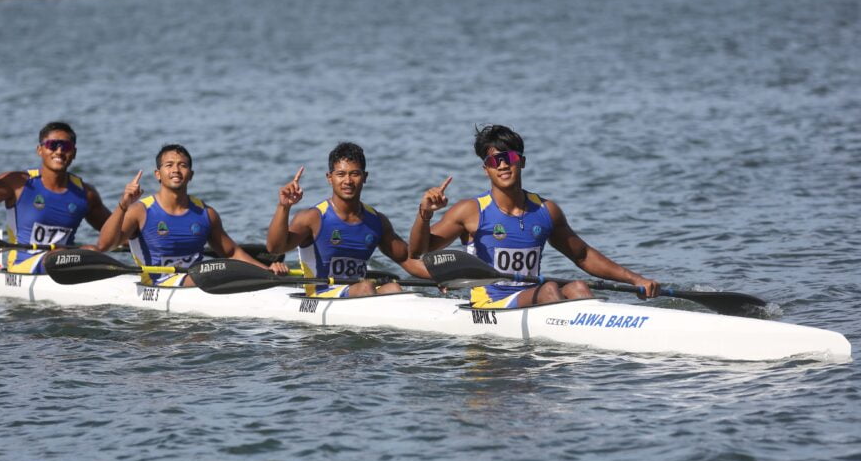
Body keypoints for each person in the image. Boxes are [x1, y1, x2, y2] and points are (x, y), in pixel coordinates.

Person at [410, 124, 660, 308]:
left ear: (522, 162)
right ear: (486, 169)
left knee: (579, 287)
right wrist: (425, 215)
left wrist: (635, 279)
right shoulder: (471, 211)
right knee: (551, 289)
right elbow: (419, 252)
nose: (504, 165)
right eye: (494, 161)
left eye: (510, 158)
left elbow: (582, 255)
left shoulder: (546, 210)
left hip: (533, 297)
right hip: (490, 304)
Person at [97, 144, 287, 287]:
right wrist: (123, 205)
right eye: (169, 165)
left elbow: (231, 252)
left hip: (197, 280)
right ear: (158, 174)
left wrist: (267, 272)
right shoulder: (140, 211)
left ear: (191, 174)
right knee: (220, 272)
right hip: (157, 284)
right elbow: (106, 245)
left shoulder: (206, 213)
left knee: (222, 270)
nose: (176, 170)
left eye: (182, 165)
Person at [267, 142, 429, 298]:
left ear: (365, 177)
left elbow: (406, 259)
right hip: (321, 294)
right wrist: (284, 207)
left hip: (360, 292)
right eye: (341, 174)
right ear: (329, 178)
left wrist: (443, 276)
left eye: (355, 174)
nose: (348, 181)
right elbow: (275, 248)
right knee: (366, 286)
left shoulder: (377, 221)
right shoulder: (312, 218)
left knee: (394, 287)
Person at [0, 118, 111, 273]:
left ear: (74, 152)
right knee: (64, 255)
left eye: (66, 146)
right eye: (52, 145)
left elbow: (117, 234)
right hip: (23, 264)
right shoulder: (19, 183)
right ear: (40, 150)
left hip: (65, 263)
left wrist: (129, 212)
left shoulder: (85, 194)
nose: (59, 151)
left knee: (92, 251)